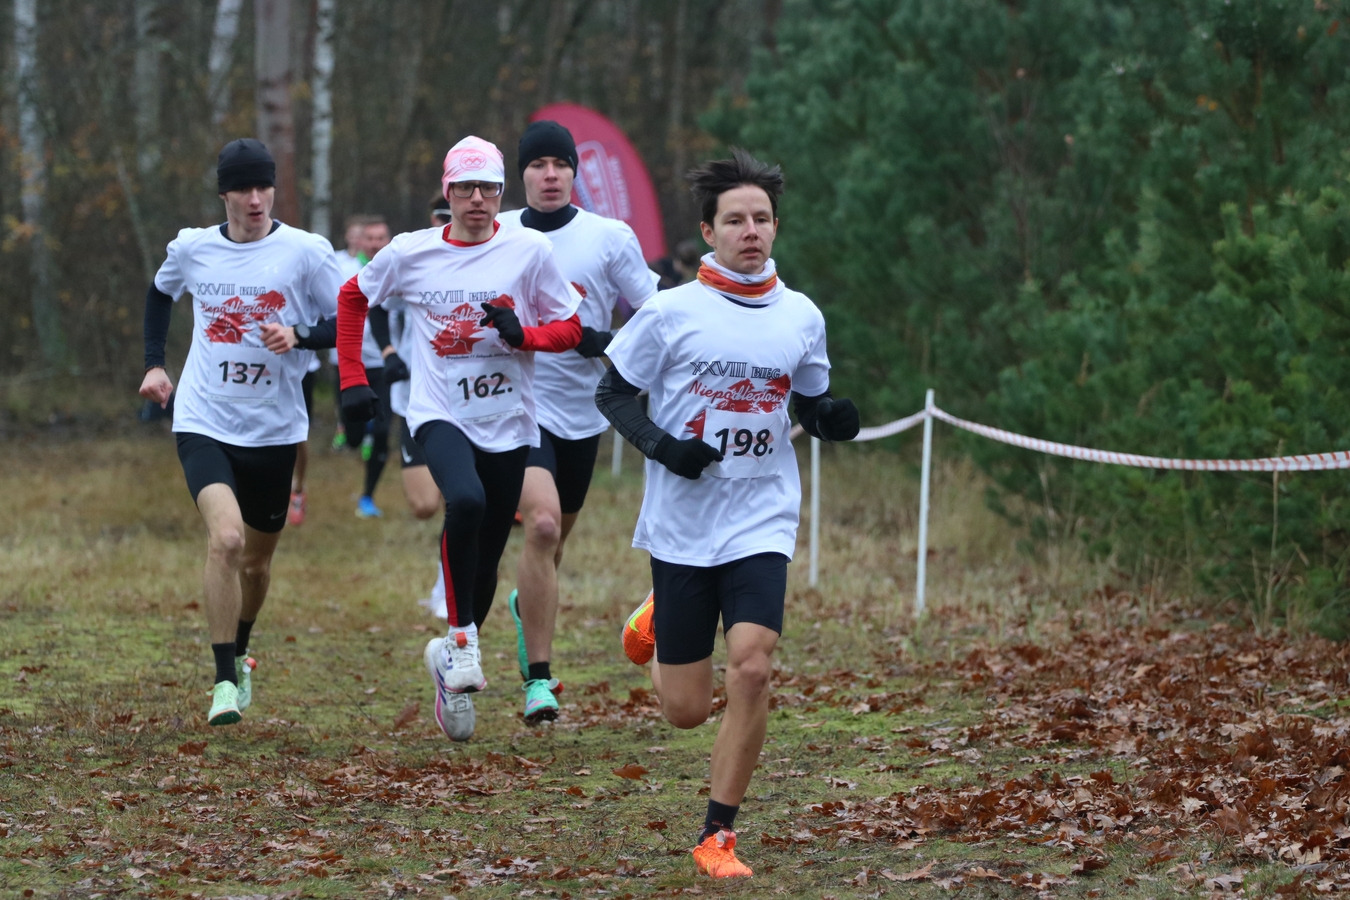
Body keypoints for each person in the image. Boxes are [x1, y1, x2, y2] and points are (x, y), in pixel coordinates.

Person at [596, 149, 861, 878]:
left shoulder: (801, 314)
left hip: (761, 516)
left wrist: (831, 418)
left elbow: (807, 399)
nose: (751, 231)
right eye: (736, 220)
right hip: (684, 523)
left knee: (751, 668)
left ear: (776, 227)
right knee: (685, 709)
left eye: (762, 219)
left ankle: (718, 836)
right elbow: (612, 393)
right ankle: (653, 616)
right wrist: (664, 447)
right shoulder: (670, 311)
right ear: (709, 232)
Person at [336, 136, 582, 742]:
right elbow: (352, 296)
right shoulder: (411, 252)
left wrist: (523, 336)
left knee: (488, 555)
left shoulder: (529, 250)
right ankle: (464, 641)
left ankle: (448, 666)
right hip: (438, 411)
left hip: (508, 420)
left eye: (488, 188)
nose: (477, 199)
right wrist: (352, 378)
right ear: (447, 193)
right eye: (465, 188)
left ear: (501, 194)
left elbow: (572, 326)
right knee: (465, 502)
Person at [139, 138, 343, 727]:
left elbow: (348, 320)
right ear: (224, 194)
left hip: (274, 430)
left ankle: (244, 646)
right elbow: (159, 293)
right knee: (226, 540)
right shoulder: (193, 248)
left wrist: (300, 336)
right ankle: (224, 679)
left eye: (264, 187)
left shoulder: (306, 252)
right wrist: (154, 363)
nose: (255, 199)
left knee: (255, 565)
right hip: (203, 418)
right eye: (243, 189)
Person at [497, 120, 658, 724]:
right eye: (537, 165)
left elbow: (655, 313)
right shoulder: (499, 233)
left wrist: (607, 341)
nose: (550, 175)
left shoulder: (608, 238)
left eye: (560, 164)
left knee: (553, 544)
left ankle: (527, 605)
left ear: (574, 172)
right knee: (540, 527)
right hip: (514, 408)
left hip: (582, 414)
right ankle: (538, 681)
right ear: (522, 175)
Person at [353, 216, 401, 519]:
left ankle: (367, 496)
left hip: (385, 365)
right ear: (360, 242)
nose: (374, 244)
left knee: (383, 431)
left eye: (380, 238)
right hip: (351, 364)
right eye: (369, 238)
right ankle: (361, 431)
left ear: (388, 240)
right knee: (353, 436)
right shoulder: (343, 268)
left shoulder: (399, 270)